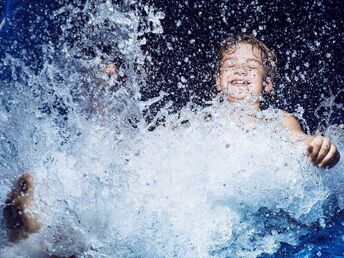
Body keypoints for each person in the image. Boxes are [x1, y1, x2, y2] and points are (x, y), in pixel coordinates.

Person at [2, 34, 341, 250]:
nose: (241, 70)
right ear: (219, 80)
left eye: (252, 67)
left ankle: (36, 243)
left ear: (266, 85)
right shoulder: (201, 119)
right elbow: (153, 150)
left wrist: (319, 146)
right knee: (122, 203)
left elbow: (299, 140)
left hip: (220, 209)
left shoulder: (276, 118)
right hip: (180, 195)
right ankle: (36, 231)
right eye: (232, 66)